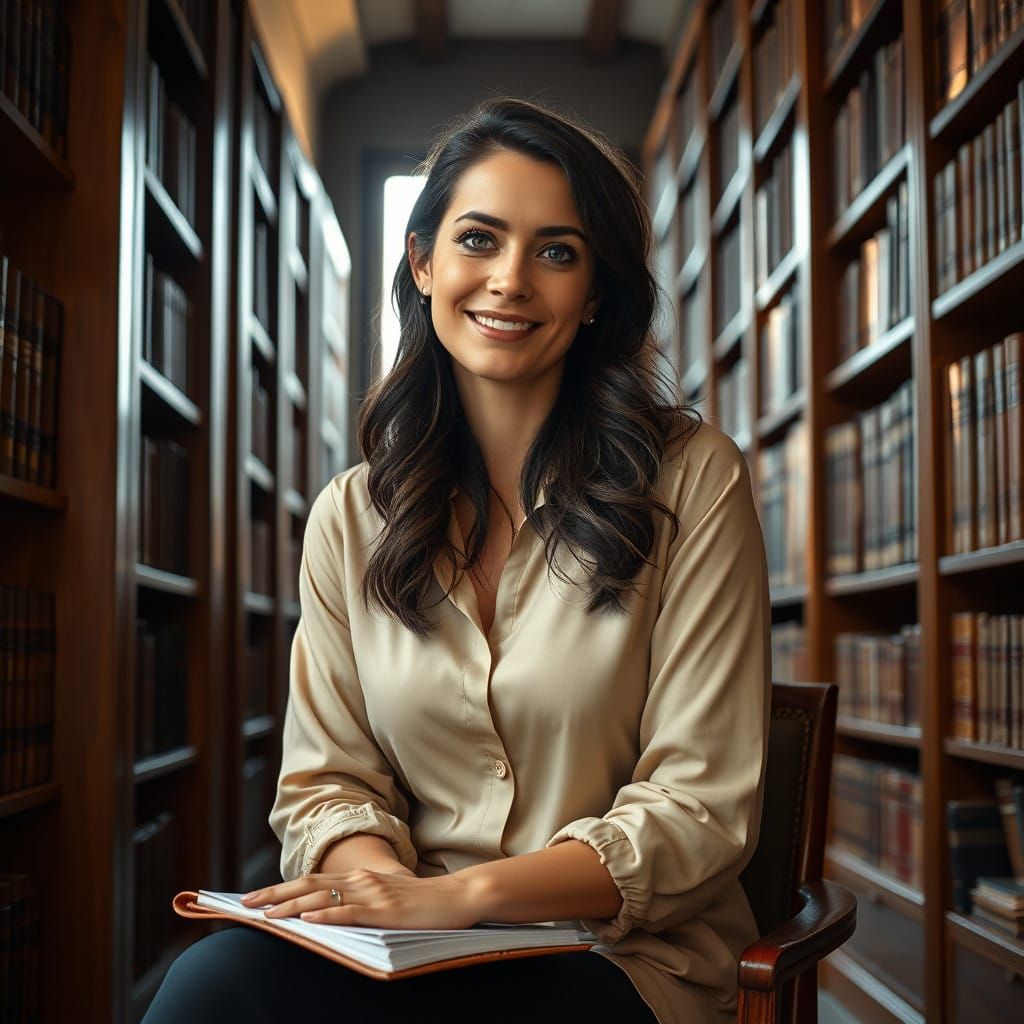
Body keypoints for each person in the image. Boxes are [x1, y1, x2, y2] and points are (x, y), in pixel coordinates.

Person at [144, 96, 770, 1024]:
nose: (510, 279)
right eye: (479, 240)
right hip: (411, 952)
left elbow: (698, 806)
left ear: (594, 294)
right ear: (424, 262)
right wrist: (385, 901)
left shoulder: (693, 481)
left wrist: (458, 901)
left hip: (620, 959)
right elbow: (328, 784)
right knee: (208, 988)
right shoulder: (351, 517)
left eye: (557, 251)